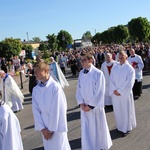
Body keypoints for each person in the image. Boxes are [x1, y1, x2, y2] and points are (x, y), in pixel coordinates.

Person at [76, 52, 112, 150]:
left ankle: (100, 146)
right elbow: (78, 89)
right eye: (81, 60)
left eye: (84, 60)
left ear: (90, 60)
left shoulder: (98, 73)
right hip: (84, 106)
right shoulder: (81, 73)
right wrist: (80, 103)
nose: (82, 62)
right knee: (87, 129)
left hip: (94, 107)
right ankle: (89, 146)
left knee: (98, 128)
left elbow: (99, 91)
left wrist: (91, 105)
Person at [32, 62, 71, 150]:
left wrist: (50, 130)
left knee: (60, 147)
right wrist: (42, 129)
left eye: (37, 71)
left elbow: (57, 109)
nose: (35, 74)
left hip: (56, 126)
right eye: (34, 72)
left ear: (46, 71)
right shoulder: (36, 89)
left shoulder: (55, 87)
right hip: (44, 125)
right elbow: (35, 110)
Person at [109, 50, 136, 136]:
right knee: (118, 111)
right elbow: (111, 79)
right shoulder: (115, 67)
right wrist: (114, 90)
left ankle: (126, 128)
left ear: (126, 57)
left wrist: (120, 91)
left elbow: (129, 83)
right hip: (115, 94)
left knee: (125, 111)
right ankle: (119, 126)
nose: (120, 59)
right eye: (119, 57)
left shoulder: (130, 69)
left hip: (125, 94)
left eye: (122, 57)